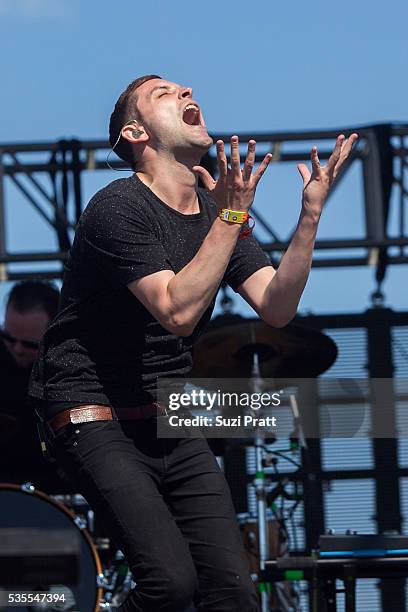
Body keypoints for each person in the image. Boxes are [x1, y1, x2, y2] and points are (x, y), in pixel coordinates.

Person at [29, 74, 357, 611]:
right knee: (170, 584)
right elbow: (178, 311)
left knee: (233, 593)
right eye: (165, 94)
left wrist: (311, 213)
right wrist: (231, 216)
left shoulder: (214, 210)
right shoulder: (118, 209)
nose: (185, 94)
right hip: (93, 411)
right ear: (136, 134)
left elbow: (276, 305)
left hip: (165, 412)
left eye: (186, 89)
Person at [0, 280, 67, 491]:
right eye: (9, 338)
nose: (17, 349)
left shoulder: (68, 365)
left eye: (29, 344)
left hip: (57, 484)